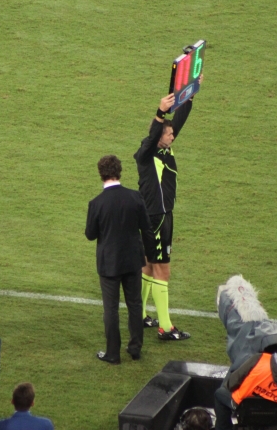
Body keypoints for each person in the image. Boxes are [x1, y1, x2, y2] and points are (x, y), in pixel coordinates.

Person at [133, 75, 202, 340]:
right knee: (163, 270)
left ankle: (139, 316)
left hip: (156, 215)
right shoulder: (147, 153)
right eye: (168, 133)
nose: (173, 136)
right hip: (157, 218)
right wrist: (159, 113)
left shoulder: (163, 147)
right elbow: (154, 134)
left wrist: (190, 93)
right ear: (158, 137)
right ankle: (166, 327)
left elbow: (178, 122)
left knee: (148, 266)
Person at [85, 155, 156, 364]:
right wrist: (151, 256)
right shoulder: (135, 197)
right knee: (135, 304)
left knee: (111, 309)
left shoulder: (97, 203)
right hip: (133, 260)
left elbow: (90, 234)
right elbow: (147, 229)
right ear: (119, 172)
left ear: (101, 174)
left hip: (109, 263)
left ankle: (112, 354)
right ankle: (135, 349)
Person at [213, 332, 277, 430]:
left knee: (219, 394)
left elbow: (232, 383)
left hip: (245, 410)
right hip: (276, 419)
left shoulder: (259, 359)